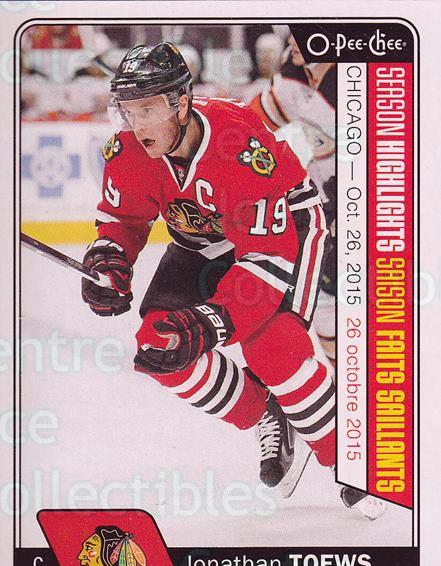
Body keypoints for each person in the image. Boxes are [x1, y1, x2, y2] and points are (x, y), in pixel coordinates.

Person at [81, 42, 384, 519]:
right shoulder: (128, 148)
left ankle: (352, 455)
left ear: (181, 103)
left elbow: (264, 261)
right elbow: (123, 218)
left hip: (284, 235)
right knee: (160, 345)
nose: (137, 124)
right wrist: (110, 261)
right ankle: (268, 411)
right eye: (129, 110)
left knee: (273, 348)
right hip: (202, 243)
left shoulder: (237, 145)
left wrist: (210, 323)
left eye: (148, 109)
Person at [249, 34, 337, 365]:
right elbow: (251, 123)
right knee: (325, 302)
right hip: (328, 202)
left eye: (308, 30)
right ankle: (348, 380)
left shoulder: (358, 81)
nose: (295, 38)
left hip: (371, 204)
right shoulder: (295, 74)